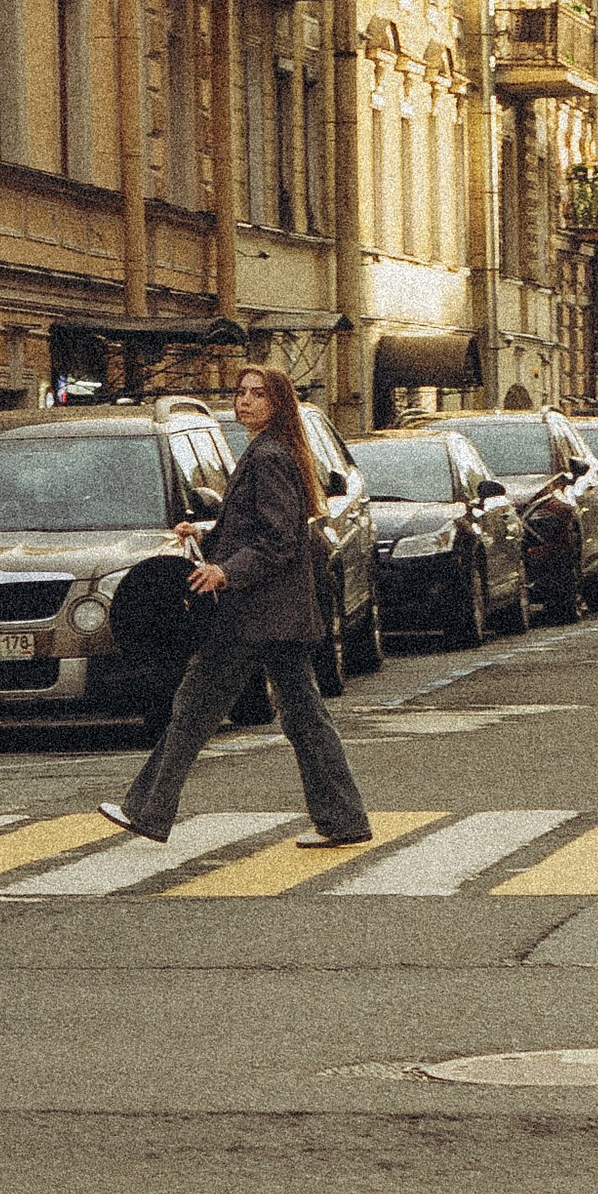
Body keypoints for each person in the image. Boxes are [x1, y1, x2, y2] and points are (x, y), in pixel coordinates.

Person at [102, 364, 372, 850]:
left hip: (254, 614)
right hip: (274, 615)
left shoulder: (269, 456)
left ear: (278, 403)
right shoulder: (268, 449)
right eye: (241, 393)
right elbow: (257, 530)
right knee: (302, 718)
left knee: (193, 708)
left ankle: (148, 810)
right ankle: (343, 818)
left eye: (257, 394)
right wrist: (205, 534)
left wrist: (226, 572)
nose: (245, 402)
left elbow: (279, 540)